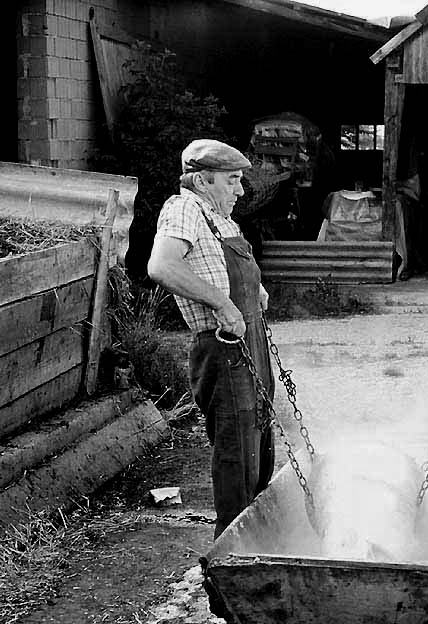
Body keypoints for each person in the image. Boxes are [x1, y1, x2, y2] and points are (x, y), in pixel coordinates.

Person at [147, 138, 275, 538]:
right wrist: (222, 303)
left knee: (259, 444)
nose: (240, 190)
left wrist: (256, 289)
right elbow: (162, 265)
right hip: (224, 347)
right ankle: (232, 556)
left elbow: (223, 269)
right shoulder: (184, 208)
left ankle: (262, 542)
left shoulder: (221, 219)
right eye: (233, 180)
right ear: (203, 181)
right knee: (237, 455)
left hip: (249, 342)